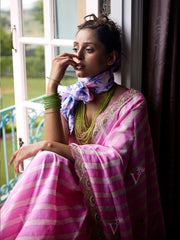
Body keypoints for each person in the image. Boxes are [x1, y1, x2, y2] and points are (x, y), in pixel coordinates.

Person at [0, 14, 166, 240]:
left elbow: (114, 159)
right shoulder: (70, 97)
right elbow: (55, 153)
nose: (76, 56)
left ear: (110, 58)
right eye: (75, 47)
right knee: (48, 159)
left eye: (88, 50)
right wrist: (52, 87)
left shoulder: (132, 104)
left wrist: (45, 145)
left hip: (100, 199)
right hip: (66, 187)